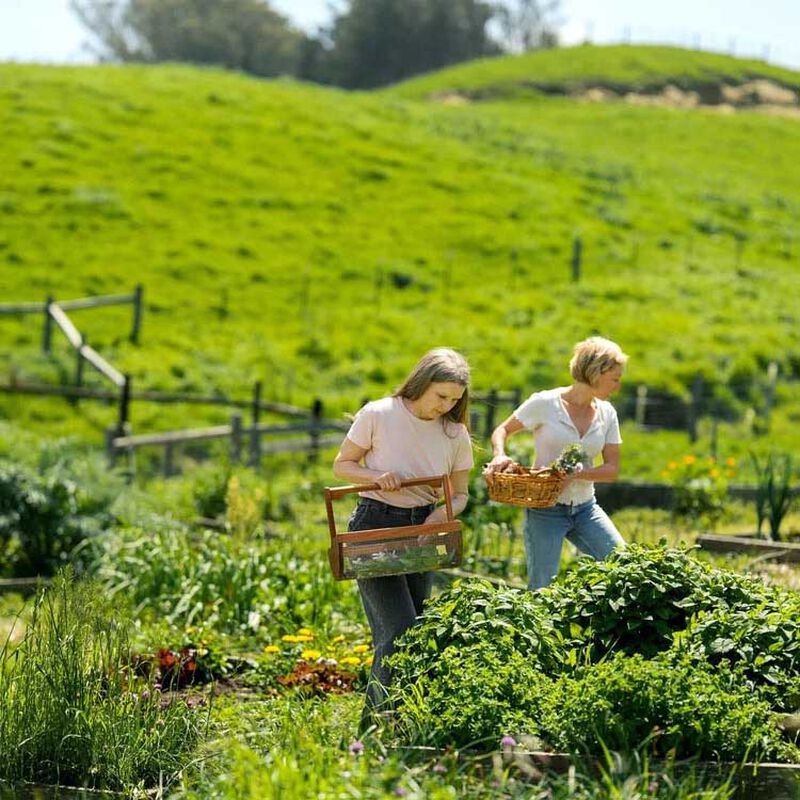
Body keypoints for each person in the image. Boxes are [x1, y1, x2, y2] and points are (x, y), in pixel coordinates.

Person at [333, 347, 473, 728]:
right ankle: (374, 729)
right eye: (440, 396)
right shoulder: (379, 413)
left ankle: (400, 723)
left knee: (415, 632)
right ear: (422, 383)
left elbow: (460, 494)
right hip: (375, 523)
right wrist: (376, 477)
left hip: (422, 530)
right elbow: (343, 465)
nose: (446, 405)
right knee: (398, 630)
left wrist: (443, 513)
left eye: (455, 400)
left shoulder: (454, 432)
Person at [486, 336, 627, 590]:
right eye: (614, 379)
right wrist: (499, 454)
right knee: (542, 587)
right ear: (596, 372)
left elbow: (612, 469)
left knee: (623, 563)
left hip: (586, 509)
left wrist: (577, 475)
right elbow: (502, 430)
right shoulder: (546, 404)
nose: (617, 386)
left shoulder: (607, 413)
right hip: (545, 510)